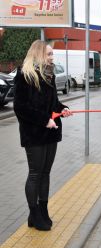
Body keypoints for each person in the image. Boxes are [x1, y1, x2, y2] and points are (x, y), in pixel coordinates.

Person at [14, 40, 72, 231]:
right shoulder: (25, 75)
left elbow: (54, 103)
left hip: (51, 132)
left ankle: (43, 211)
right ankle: (34, 213)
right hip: (34, 134)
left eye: (52, 54)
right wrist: (44, 120)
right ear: (38, 54)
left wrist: (63, 109)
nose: (51, 58)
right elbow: (20, 108)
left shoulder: (49, 75)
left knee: (45, 173)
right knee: (35, 173)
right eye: (49, 54)